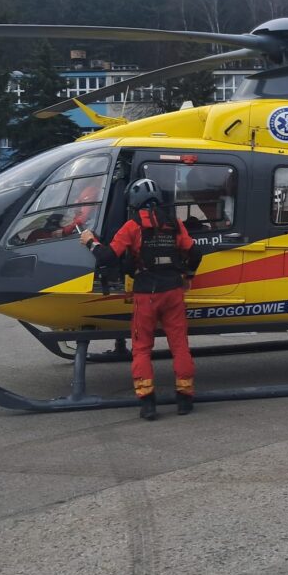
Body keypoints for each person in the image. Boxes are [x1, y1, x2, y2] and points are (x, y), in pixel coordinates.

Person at [81, 178, 201, 420]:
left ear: (135, 202)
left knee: (142, 348)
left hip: (146, 294)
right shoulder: (174, 224)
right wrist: (188, 276)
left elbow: (107, 257)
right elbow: (195, 253)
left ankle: (147, 403)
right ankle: (184, 400)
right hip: (174, 292)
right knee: (179, 345)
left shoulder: (132, 226)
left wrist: (90, 241)